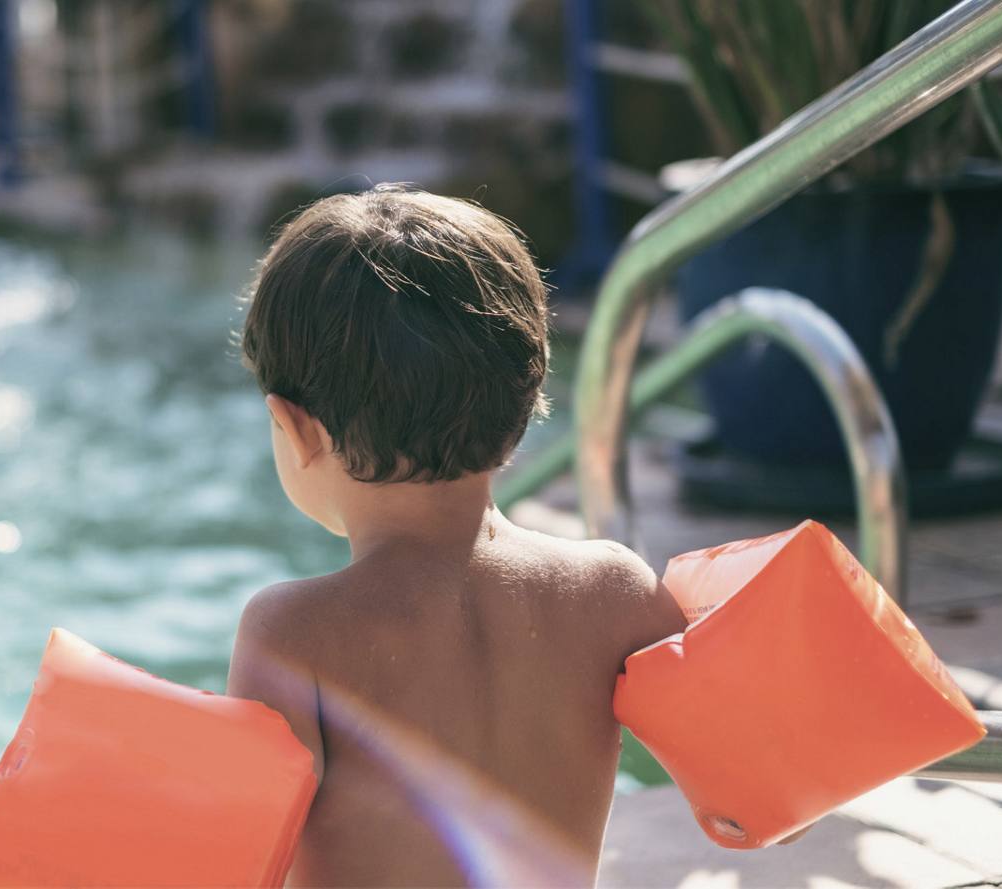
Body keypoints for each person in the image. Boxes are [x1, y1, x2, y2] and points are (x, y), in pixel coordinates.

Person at [228, 183, 694, 886]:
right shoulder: (616, 588)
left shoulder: (293, 633)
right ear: (528, 398)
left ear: (295, 427)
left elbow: (236, 863)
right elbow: (759, 799)